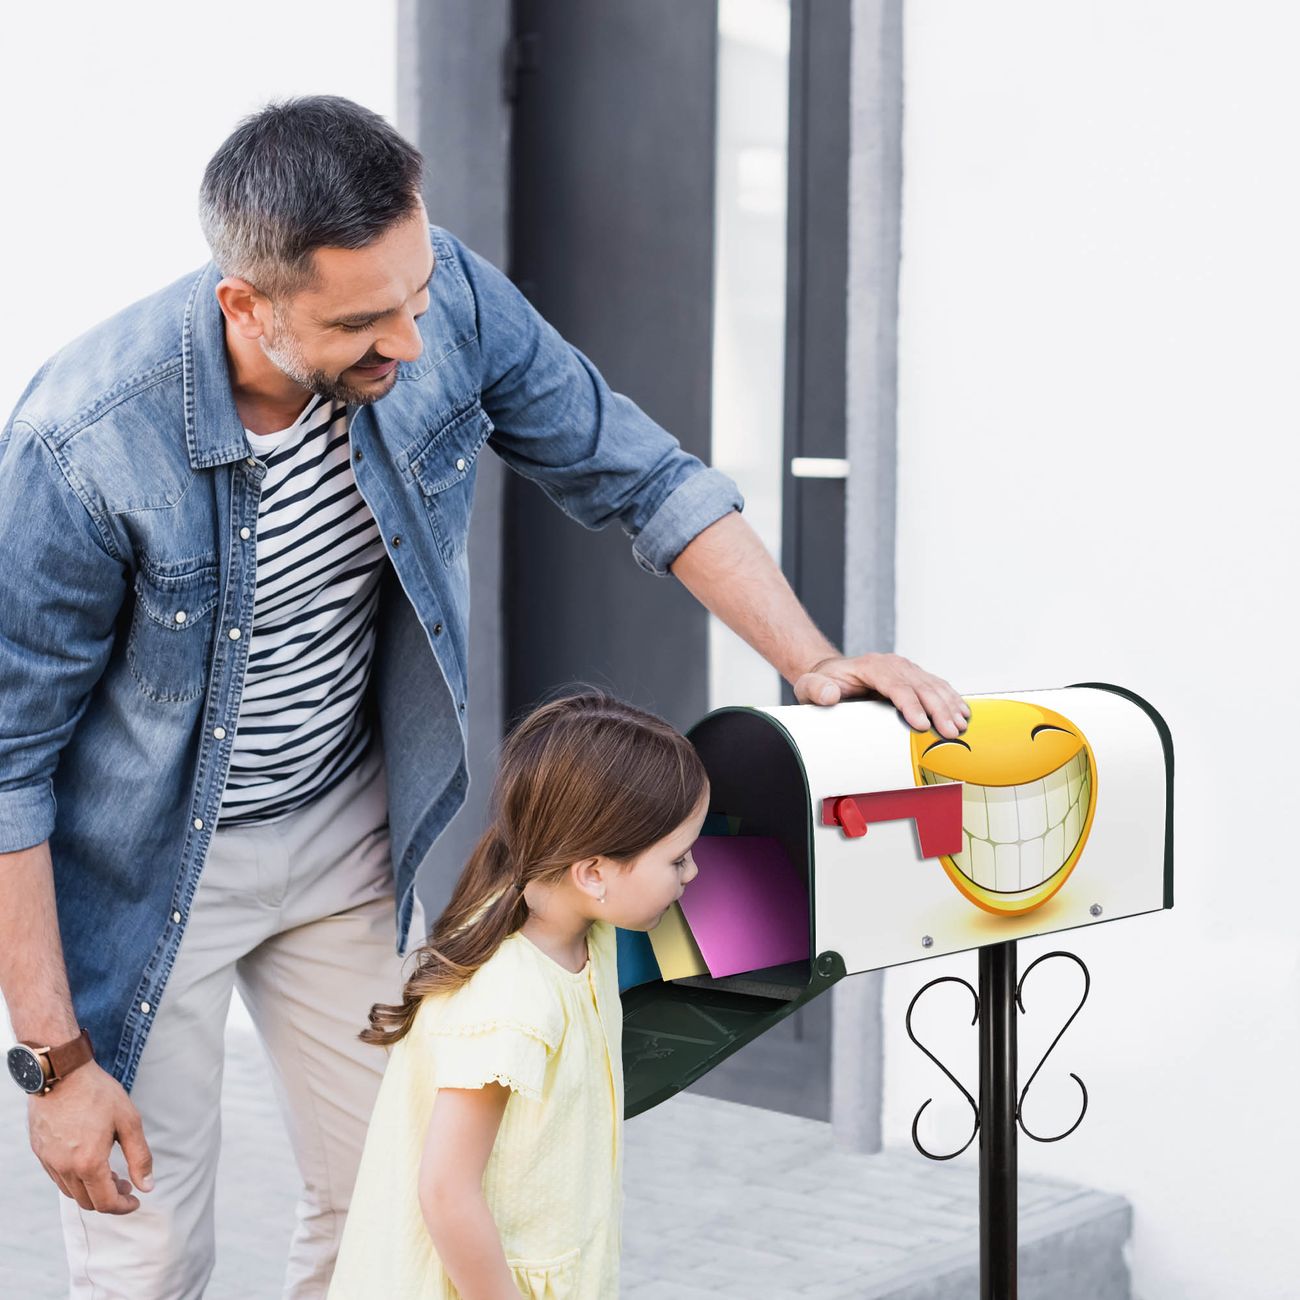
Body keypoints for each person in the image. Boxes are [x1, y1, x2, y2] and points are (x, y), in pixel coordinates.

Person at [0, 95, 967, 1298]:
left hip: (345, 834)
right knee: (147, 1255)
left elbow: (641, 474)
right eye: (361, 322)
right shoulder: (83, 441)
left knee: (388, 1216)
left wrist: (811, 660)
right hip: (148, 874)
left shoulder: (443, 295)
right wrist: (55, 1063)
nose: (408, 342)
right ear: (244, 305)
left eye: (412, 294)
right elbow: (9, 766)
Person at [328, 691, 706, 1299]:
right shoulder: (512, 1002)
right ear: (593, 873)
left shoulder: (583, 927)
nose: (693, 874)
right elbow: (446, 1192)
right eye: (679, 859)